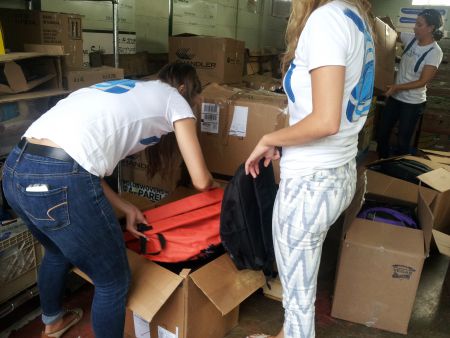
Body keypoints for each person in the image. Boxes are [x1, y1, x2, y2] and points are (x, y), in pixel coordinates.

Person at [1, 63, 214, 338]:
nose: (195, 105)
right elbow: (200, 180)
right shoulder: (174, 98)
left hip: (15, 170)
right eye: (196, 98)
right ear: (184, 88)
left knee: (56, 252)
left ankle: (52, 323)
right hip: (60, 176)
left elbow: (83, 162)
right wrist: (221, 188)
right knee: (112, 281)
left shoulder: (128, 90)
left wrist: (125, 207)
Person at [244, 1, 374, 338]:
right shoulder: (353, 16)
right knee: (299, 290)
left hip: (312, 182)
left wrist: (270, 137)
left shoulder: (326, 20)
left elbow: (325, 120)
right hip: (338, 169)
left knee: (298, 301)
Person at [377, 9, 443, 159]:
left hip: (412, 103)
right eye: (415, 23)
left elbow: (422, 81)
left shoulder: (435, 52)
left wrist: (396, 87)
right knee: (382, 133)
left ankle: (399, 170)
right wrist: (382, 22)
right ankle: (382, 163)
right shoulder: (410, 39)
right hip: (395, 98)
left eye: (419, 24)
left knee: (402, 140)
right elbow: (390, 33)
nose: (414, 27)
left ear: (431, 28)